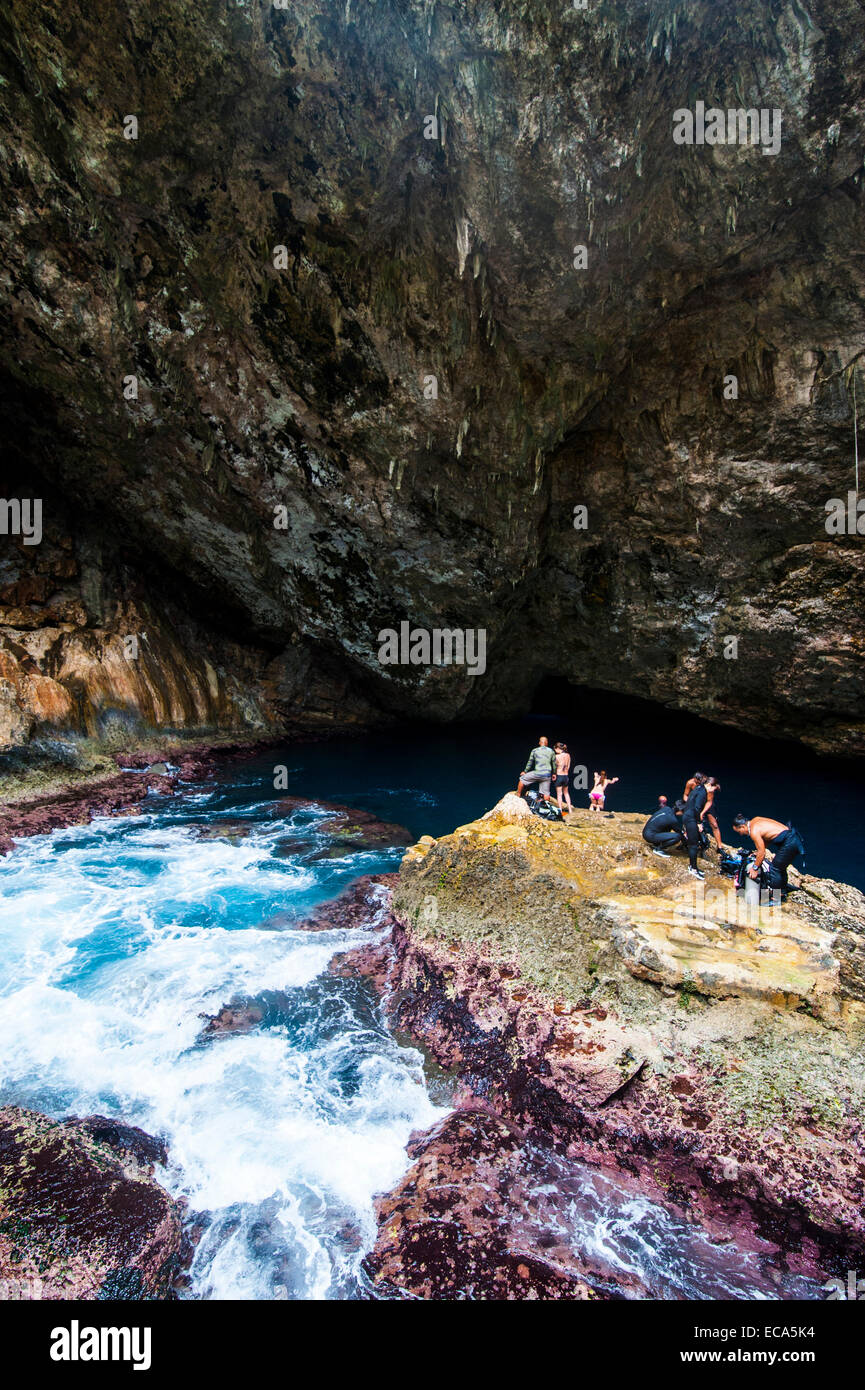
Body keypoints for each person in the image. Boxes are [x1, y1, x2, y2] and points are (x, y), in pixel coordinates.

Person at [732, 814, 806, 901]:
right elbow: (766, 838)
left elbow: (762, 853)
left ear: (742, 826)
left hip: (789, 842)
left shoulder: (753, 831)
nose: (740, 834)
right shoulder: (756, 820)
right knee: (780, 867)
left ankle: (777, 897)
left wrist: (755, 868)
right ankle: (782, 892)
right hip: (792, 839)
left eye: (739, 831)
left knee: (775, 868)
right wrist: (758, 853)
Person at [682, 775, 709, 878]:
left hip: (688, 816)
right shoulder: (702, 792)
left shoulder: (698, 789)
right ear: (709, 785)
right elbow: (697, 808)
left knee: (695, 842)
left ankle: (694, 867)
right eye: (714, 788)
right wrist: (699, 822)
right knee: (693, 844)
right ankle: (692, 868)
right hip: (691, 818)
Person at [516, 736, 556, 804]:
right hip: (547, 775)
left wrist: (525, 771)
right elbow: (554, 764)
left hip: (537, 773)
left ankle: (518, 795)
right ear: (547, 743)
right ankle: (546, 808)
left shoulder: (534, 750)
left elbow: (530, 762)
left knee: (522, 779)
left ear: (539, 743)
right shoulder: (551, 751)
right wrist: (554, 773)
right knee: (546, 793)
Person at [703, 777, 723, 852]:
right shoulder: (699, 788)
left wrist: (703, 813)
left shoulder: (710, 791)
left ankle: (720, 847)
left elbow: (709, 803)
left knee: (714, 825)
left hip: (708, 805)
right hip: (698, 804)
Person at [553, 742, 573, 816]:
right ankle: (570, 810)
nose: (555, 751)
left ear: (558, 748)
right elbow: (568, 766)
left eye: (555, 749)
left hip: (559, 776)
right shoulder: (568, 755)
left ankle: (560, 810)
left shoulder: (557, 756)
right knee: (566, 793)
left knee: (559, 794)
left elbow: (555, 767)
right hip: (566, 776)